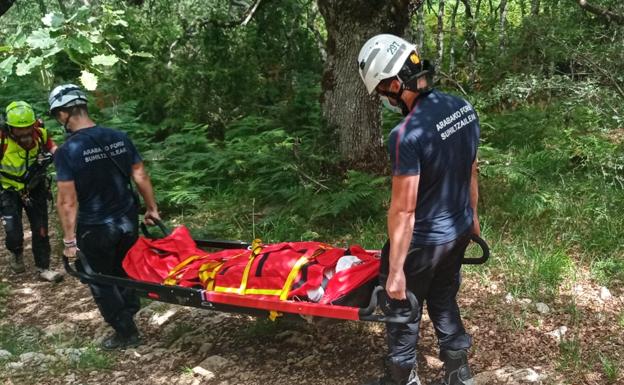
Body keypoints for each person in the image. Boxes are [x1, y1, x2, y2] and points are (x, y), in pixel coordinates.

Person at [357, 35, 481, 385]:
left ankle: (401, 378)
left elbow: (403, 210)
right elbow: (471, 168)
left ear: (396, 83)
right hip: (456, 232)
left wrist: (395, 270)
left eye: (382, 90)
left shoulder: (406, 134)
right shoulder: (462, 108)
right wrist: (473, 219)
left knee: (402, 310)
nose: (383, 97)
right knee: (443, 298)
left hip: (422, 243)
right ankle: (458, 372)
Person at [49, 84, 161, 350]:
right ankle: (129, 310)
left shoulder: (67, 152)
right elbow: (140, 176)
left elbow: (67, 200)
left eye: (57, 115)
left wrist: (68, 240)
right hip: (126, 221)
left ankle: (126, 331)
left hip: (95, 227)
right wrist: (152, 208)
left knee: (99, 278)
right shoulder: (119, 137)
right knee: (124, 268)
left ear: (65, 113)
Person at [0, 101, 63, 282]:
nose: (26, 132)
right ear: (10, 128)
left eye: (29, 127)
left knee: (41, 228)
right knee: (13, 234)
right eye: (21, 129)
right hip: (8, 191)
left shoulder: (40, 134)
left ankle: (43, 267)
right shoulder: (2, 140)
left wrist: (60, 157)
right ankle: (16, 251)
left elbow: (54, 148)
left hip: (35, 188)